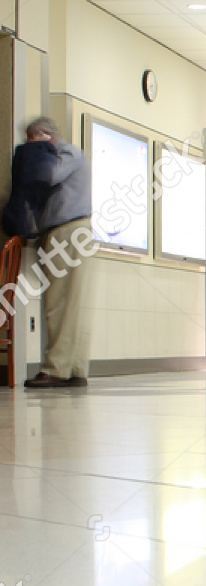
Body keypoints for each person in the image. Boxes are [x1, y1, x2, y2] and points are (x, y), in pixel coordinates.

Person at [6, 117, 95, 388]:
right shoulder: (71, 153)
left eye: (31, 140)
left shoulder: (67, 152)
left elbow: (48, 176)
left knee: (58, 303)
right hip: (69, 232)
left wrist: (36, 152)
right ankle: (75, 368)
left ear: (42, 135)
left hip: (67, 231)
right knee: (72, 304)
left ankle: (55, 368)